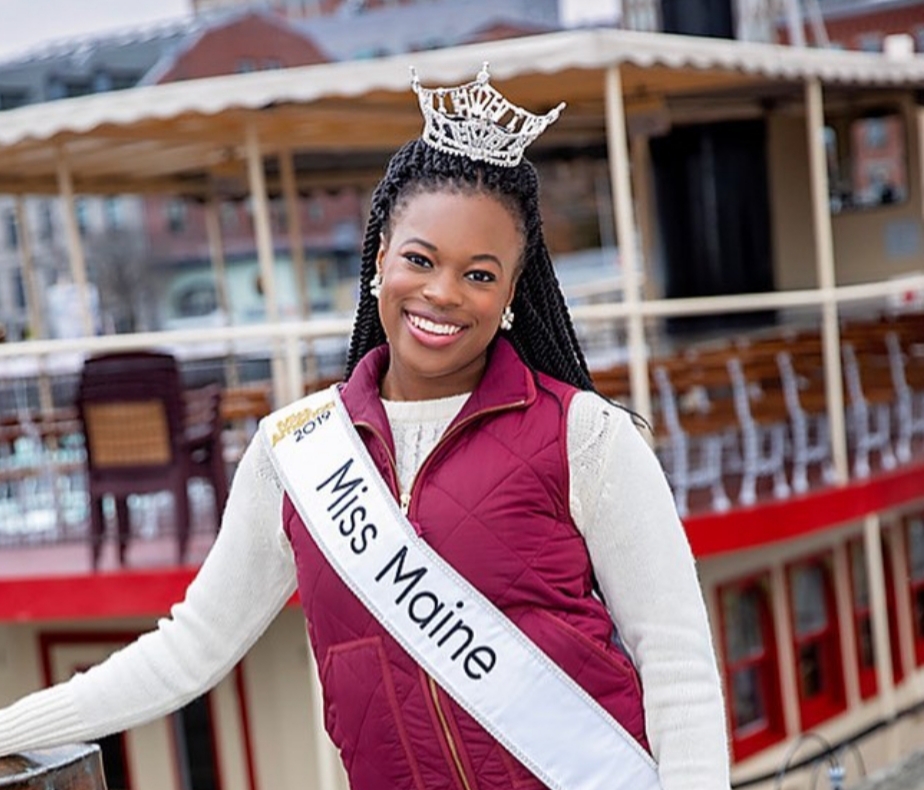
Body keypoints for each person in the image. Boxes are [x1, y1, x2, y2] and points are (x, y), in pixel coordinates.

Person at [0, 66, 730, 789]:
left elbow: (677, 668)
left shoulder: (588, 438)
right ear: (380, 257)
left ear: (512, 293)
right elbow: (188, 651)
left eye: (479, 275)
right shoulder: (296, 454)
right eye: (420, 259)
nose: (442, 294)